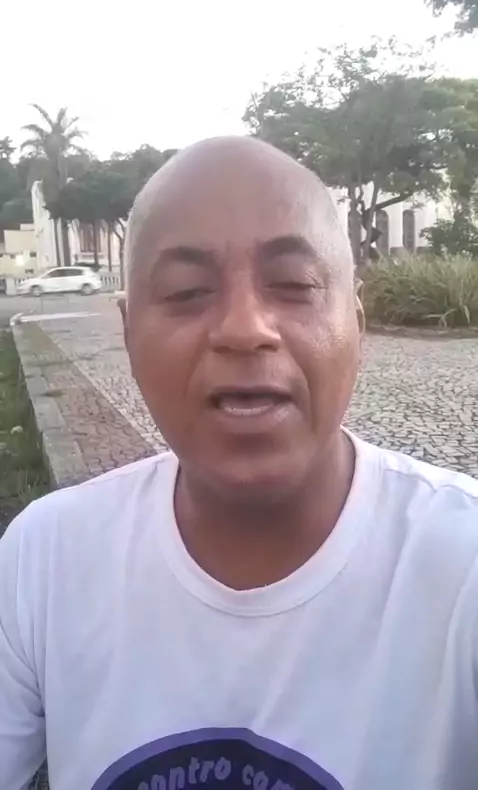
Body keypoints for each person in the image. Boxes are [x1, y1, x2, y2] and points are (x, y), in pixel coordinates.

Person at [1, 137, 478, 790]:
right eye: (187, 291)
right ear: (128, 333)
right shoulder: (44, 559)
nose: (245, 328)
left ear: (357, 321)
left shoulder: (462, 570)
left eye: (295, 285)